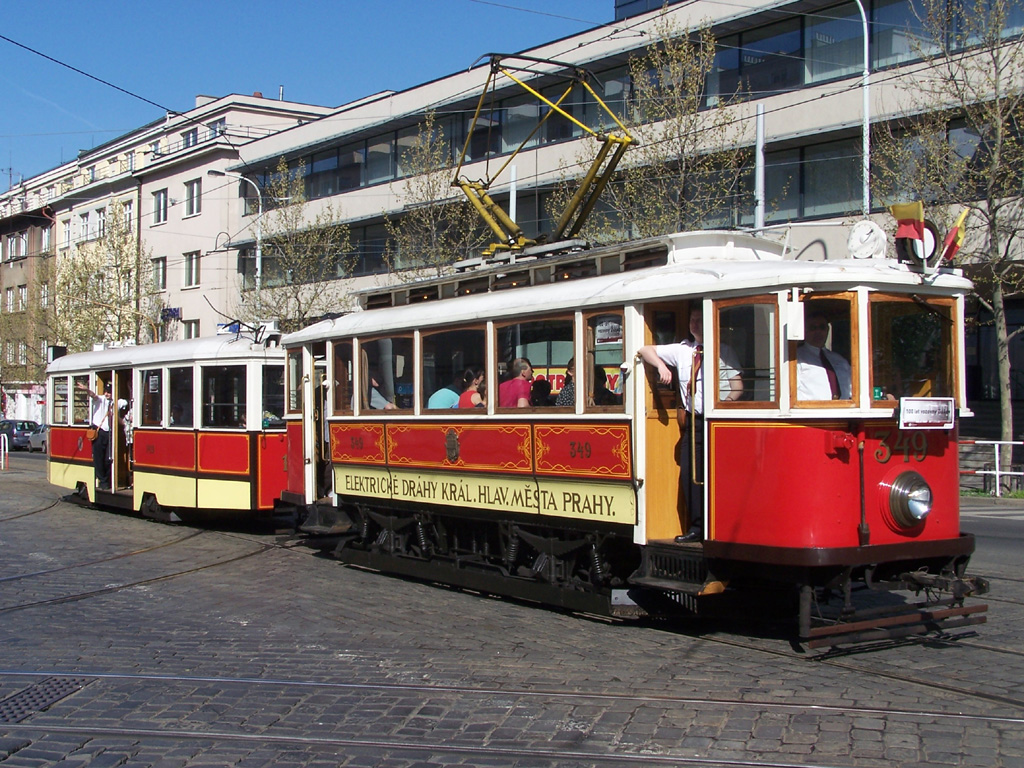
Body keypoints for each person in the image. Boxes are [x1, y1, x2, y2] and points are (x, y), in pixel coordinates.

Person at [638, 305, 742, 543]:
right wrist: (662, 367)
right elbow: (645, 349)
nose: (695, 324)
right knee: (689, 475)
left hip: (717, 421)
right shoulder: (683, 351)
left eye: (700, 320)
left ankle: (716, 527)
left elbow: (737, 387)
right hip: (693, 423)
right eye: (693, 319)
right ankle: (696, 527)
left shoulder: (723, 350)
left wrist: (723, 404)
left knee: (716, 476)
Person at [796, 309, 852, 401]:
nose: (818, 332)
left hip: (843, 411)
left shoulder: (839, 360)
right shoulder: (797, 358)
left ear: (827, 330)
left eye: (822, 327)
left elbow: (852, 389)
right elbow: (792, 394)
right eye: (813, 328)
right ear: (804, 330)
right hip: (811, 413)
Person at [76, 380, 112, 491]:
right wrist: (86, 389)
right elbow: (93, 395)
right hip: (98, 432)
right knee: (98, 457)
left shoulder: (116, 402)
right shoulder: (100, 400)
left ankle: (106, 478)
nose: (106, 394)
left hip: (110, 433)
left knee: (108, 459)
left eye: (109, 392)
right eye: (105, 391)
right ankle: (103, 481)